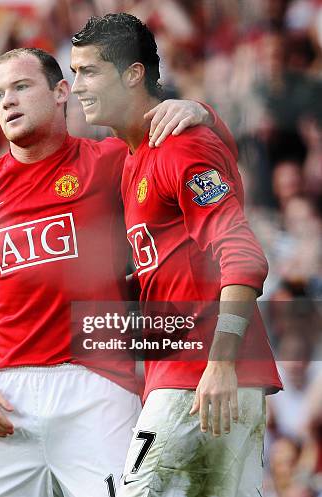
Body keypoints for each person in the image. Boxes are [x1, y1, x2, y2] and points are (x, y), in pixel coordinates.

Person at [0, 46, 233, 497]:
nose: (8, 102)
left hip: (96, 383)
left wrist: (201, 112)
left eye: (21, 87)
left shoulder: (112, 161)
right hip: (2, 394)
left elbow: (201, 156)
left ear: (61, 92)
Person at [70, 13, 282, 496]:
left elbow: (244, 257)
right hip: (200, 379)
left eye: (88, 71)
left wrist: (220, 362)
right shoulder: (136, 157)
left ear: (133, 73)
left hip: (200, 381)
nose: (77, 84)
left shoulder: (178, 145)